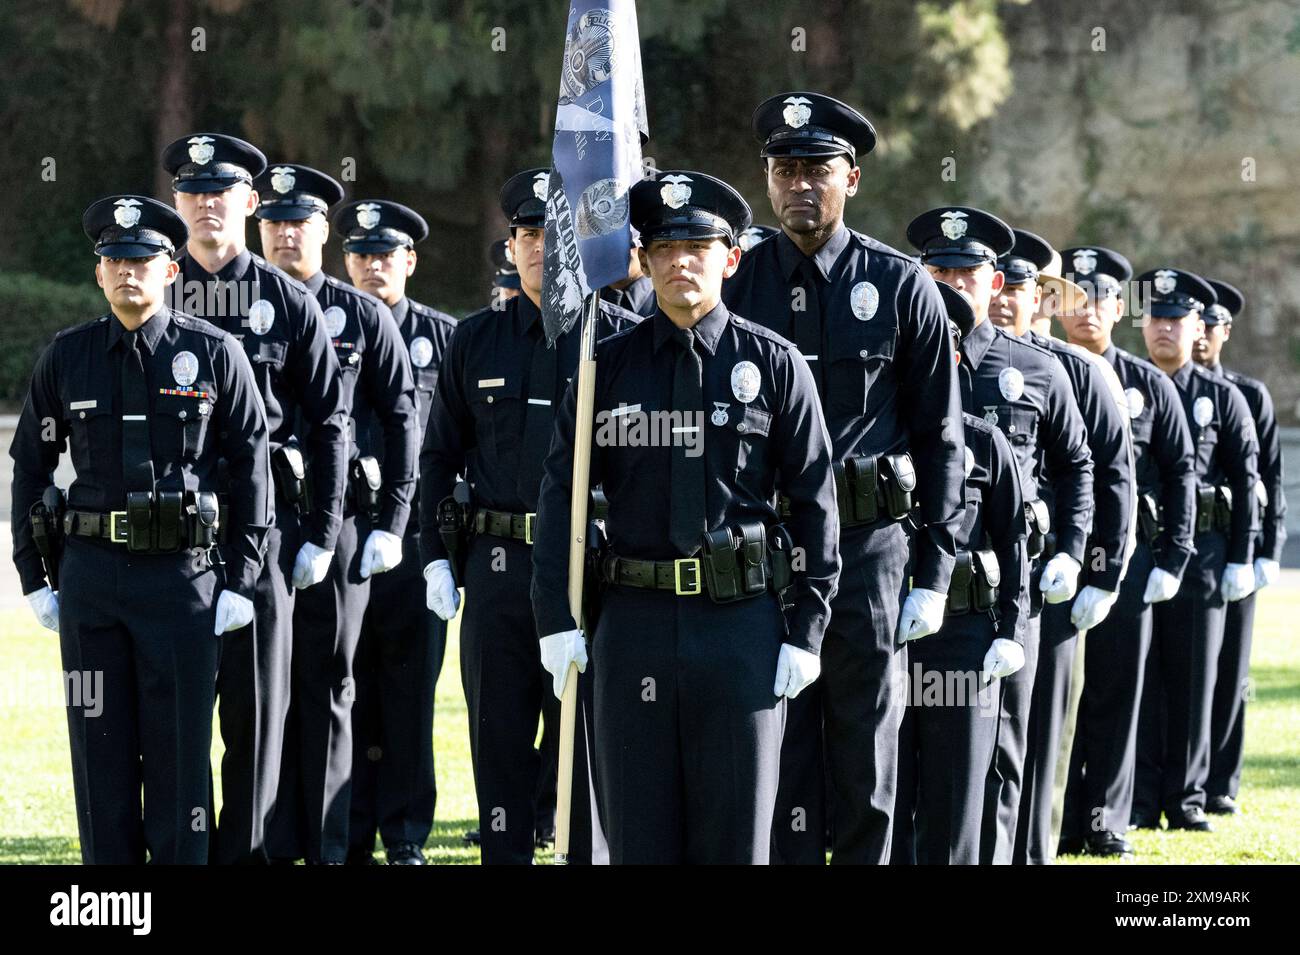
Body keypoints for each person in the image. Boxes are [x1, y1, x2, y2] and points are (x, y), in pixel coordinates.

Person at [531, 169, 841, 864]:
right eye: (664, 248)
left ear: (731, 258)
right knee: (639, 836)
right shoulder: (603, 367)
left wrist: (808, 628)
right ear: (642, 260)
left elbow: (818, 503)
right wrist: (555, 614)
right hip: (632, 625)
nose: (680, 262)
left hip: (741, 631)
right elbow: (563, 497)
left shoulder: (776, 365)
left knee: (735, 840)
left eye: (698, 246)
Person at [723, 92, 966, 865]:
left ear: (851, 179)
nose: (799, 184)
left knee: (865, 756)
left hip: (869, 555)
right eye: (784, 168)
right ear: (766, 179)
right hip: (766, 556)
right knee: (778, 751)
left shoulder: (901, 287)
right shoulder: (738, 283)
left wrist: (932, 574)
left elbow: (942, 440)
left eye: (817, 169)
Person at [10, 195, 270, 863]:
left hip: (183, 585)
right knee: (99, 759)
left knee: (182, 758)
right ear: (99, 273)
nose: (128, 272)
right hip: (92, 584)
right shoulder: (67, 359)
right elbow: (30, 469)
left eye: (143, 260)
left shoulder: (215, 355)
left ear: (172, 269)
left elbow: (252, 474)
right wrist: (35, 577)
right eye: (115, 260)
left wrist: (240, 578)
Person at [418, 168, 639, 864]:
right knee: (498, 742)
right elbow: (436, 457)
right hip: (498, 569)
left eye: (558, 232)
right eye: (529, 233)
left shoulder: (620, 341)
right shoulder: (474, 340)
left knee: (586, 751)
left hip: (590, 570)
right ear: (511, 246)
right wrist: (432, 554)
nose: (543, 246)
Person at [161, 133, 349, 864]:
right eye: (193, 193)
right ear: (177, 205)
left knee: (257, 716)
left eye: (222, 193)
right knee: (176, 719)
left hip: (264, 535)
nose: (207, 205)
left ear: (249, 203)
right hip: (174, 539)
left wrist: (323, 532)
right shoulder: (157, 292)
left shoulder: (288, 302)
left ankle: (250, 855)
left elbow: (331, 420)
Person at [906, 206, 1094, 864]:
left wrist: (1073, 548)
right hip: (908, 597)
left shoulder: (1037, 369)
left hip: (1004, 591)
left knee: (1001, 751)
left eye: (968, 271)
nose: (954, 283)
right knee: (904, 764)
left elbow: (1076, 463)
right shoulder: (895, 367)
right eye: (940, 271)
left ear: (995, 281)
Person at [250, 164, 420, 865]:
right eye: (276, 222)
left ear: (325, 231)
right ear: (260, 227)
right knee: (257, 688)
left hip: (338, 520)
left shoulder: (362, 314)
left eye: (302, 222)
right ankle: (262, 840)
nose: (288, 233)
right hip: (254, 522)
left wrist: (392, 523)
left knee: (330, 680)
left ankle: (329, 842)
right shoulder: (230, 300)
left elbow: (403, 416)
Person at [991, 228, 1136, 864]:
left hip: (1054, 579)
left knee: (1042, 729)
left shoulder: (1082, 372)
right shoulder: (959, 360)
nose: (1004, 298)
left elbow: (1113, 475)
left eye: (1022, 286)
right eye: (1001, 282)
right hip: (981, 578)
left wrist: (1103, 575)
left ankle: (1034, 852)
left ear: (1046, 299)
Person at [1056, 246, 1196, 856]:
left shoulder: (1146, 384)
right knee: (1060, 699)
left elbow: (1180, 469)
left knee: (1116, 689)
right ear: (1060, 310)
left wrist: (1173, 556)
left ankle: (1106, 819)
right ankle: (1057, 816)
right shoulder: (1041, 369)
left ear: (1119, 309)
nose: (1089, 313)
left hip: (1125, 562)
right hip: (1055, 559)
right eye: (1076, 301)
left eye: (1102, 301)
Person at [337, 199, 457, 864]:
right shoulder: (323, 328)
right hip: (348, 539)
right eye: (361, 254)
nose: (373, 265)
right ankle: (349, 824)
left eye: (386, 254)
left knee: (411, 692)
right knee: (344, 686)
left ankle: (406, 831)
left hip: (413, 544)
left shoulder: (445, 337)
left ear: (410, 260)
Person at [893, 281, 1029, 865]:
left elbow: (1015, 538)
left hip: (964, 635)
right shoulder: (878, 439)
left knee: (956, 796)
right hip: (889, 630)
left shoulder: (986, 441)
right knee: (886, 789)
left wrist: (1011, 629)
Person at [1132, 267, 1259, 833]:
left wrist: (1242, 556)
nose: (1165, 329)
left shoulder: (1223, 398)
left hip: (1204, 555)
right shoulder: (1126, 385)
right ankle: (1136, 797)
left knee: (1193, 678)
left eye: (1176, 319)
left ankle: (1186, 798)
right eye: (1156, 317)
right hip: (1139, 550)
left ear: (1195, 327)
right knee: (1138, 677)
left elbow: (1248, 480)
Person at [1194, 278, 1286, 816]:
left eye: (1211, 325)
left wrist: (1266, 550)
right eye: (1195, 323)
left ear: (1225, 332)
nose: (1201, 334)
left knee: (1231, 672)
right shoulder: (1164, 387)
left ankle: (1219, 781)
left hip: (1236, 546)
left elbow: (1269, 479)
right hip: (1191, 548)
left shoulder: (1248, 395)